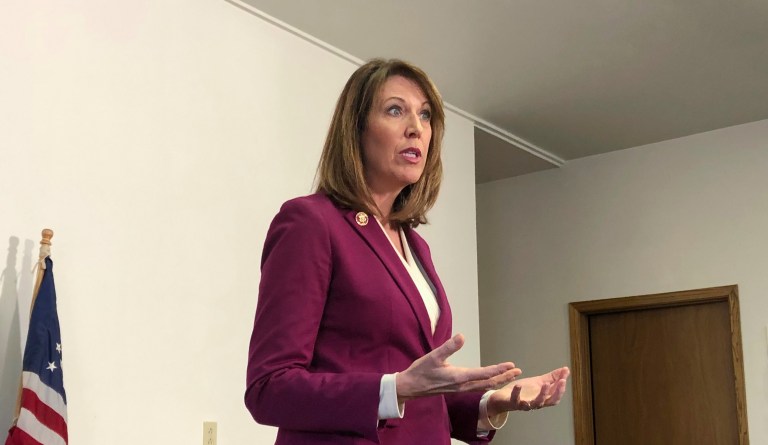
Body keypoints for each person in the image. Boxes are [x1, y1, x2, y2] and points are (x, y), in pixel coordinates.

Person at [244, 58, 570, 444]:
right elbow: (269, 389)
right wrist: (394, 388)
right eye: (395, 110)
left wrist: (491, 402)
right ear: (357, 129)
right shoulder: (311, 223)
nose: (416, 128)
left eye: (426, 115)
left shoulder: (416, 246)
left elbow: (422, 392)